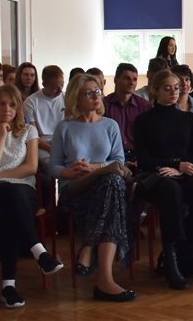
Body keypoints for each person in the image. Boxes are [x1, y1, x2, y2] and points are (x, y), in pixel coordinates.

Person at [0, 85, 64, 308]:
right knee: (9, 194)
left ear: (18, 108)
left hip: (22, 192)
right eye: (1, 104)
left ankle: (8, 287)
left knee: (10, 209)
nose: (7, 109)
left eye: (12, 105)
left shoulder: (29, 131)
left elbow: (31, 167)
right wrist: (2, 136)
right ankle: (39, 251)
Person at [49, 74, 134, 302]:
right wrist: (71, 172)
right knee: (113, 185)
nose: (96, 97)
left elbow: (119, 161)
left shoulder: (110, 125)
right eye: (89, 93)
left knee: (112, 183)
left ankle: (92, 252)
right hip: (76, 189)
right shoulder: (64, 127)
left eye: (97, 91)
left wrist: (94, 168)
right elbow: (53, 167)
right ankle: (103, 277)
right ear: (75, 98)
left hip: (104, 189)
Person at [134, 70, 193, 288]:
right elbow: (144, 159)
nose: (174, 92)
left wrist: (181, 168)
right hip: (156, 174)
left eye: (176, 88)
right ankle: (171, 257)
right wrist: (175, 165)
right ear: (155, 91)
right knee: (171, 190)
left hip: (185, 171)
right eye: (167, 88)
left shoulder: (187, 118)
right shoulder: (143, 120)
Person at [103, 63, 151, 163]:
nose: (131, 83)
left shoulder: (144, 106)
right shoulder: (104, 105)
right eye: (127, 78)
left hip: (137, 156)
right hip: (111, 156)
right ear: (116, 80)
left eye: (134, 79)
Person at [24, 65, 65, 168]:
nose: (60, 90)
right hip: (42, 143)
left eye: (62, 85)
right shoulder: (31, 102)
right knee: (50, 164)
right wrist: (53, 150)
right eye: (55, 88)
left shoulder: (67, 98)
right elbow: (33, 136)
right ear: (44, 84)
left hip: (64, 140)